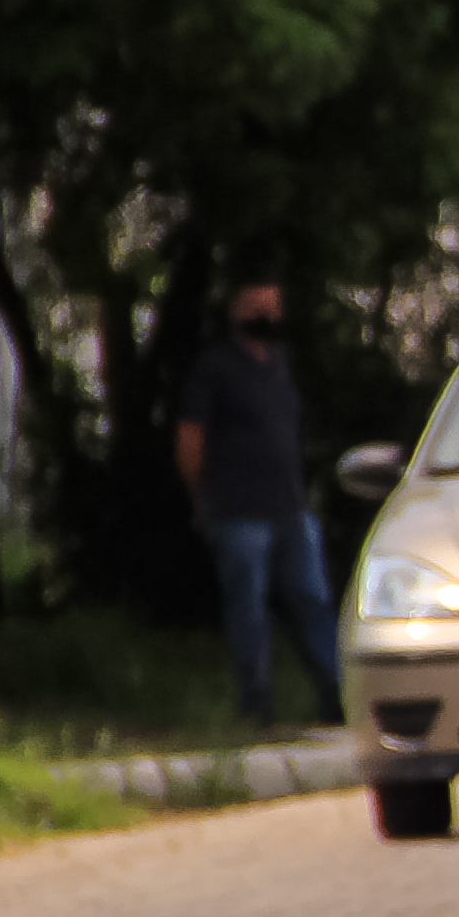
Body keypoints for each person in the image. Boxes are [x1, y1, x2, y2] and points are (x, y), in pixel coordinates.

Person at [176, 281, 338, 725]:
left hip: (290, 506)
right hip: (238, 509)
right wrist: (200, 498)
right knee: (248, 606)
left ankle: (336, 696)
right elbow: (191, 438)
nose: (268, 314)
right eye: (257, 305)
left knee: (313, 600)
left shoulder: (281, 365)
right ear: (236, 309)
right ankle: (257, 701)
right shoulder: (215, 368)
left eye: (274, 305)